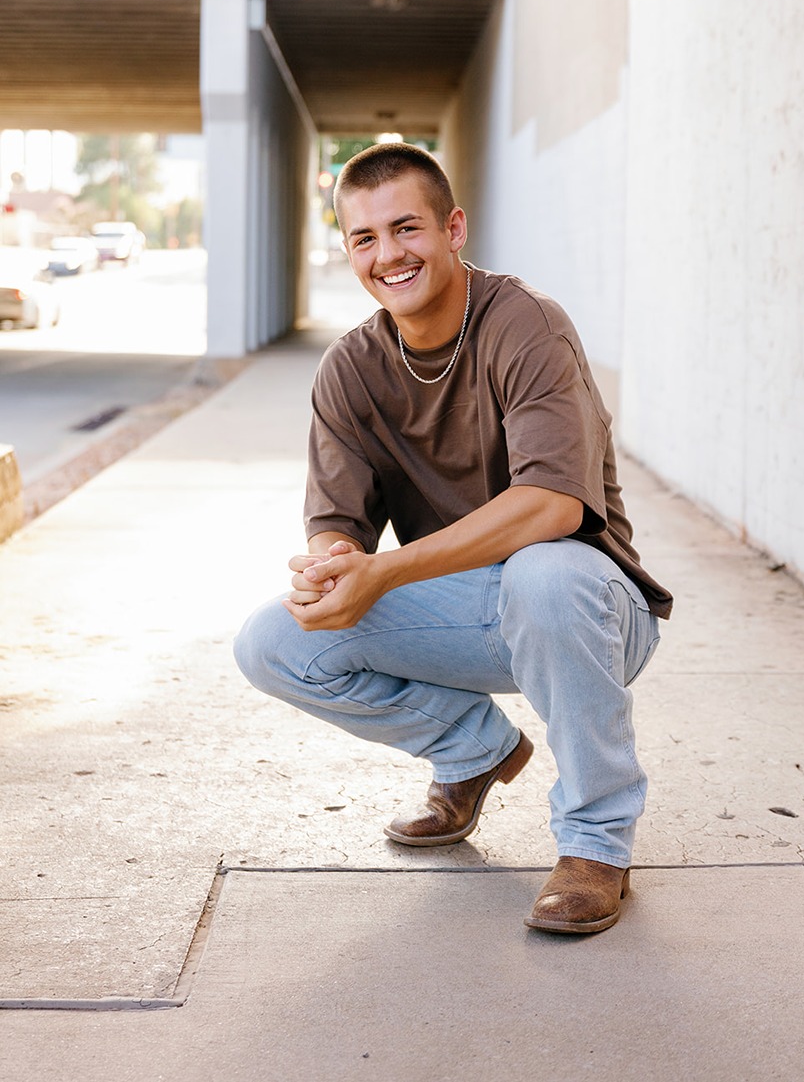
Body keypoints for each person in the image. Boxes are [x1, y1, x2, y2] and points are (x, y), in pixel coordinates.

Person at [234, 143, 672, 935]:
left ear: (453, 227)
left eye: (406, 228)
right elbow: (338, 519)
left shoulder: (524, 322)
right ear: (348, 250)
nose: (388, 253)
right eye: (365, 237)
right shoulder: (349, 367)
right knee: (272, 639)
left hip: (590, 610)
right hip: (470, 609)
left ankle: (596, 843)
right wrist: (331, 567)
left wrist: (388, 570)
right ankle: (473, 750)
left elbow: (550, 506)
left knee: (542, 573)